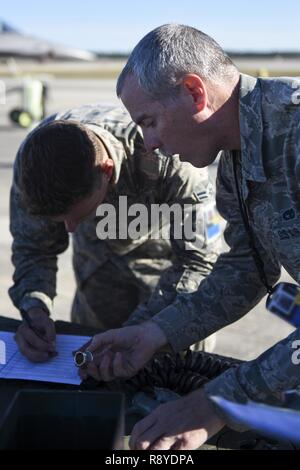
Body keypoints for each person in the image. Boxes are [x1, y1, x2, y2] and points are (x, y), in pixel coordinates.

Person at [82, 24, 300, 450]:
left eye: (149, 121)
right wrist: (156, 333)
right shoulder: (237, 161)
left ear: (195, 93)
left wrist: (219, 402)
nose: (149, 143)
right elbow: (246, 271)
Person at [9, 104, 221, 363]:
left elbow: (199, 261)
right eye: (61, 219)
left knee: (179, 385)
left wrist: (146, 330)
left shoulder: (171, 156)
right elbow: (34, 248)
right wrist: (34, 308)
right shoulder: (35, 163)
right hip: (97, 282)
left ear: (107, 170)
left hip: (170, 284)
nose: (71, 229)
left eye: (80, 214)